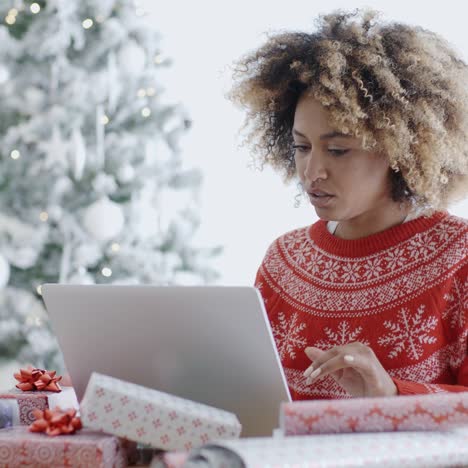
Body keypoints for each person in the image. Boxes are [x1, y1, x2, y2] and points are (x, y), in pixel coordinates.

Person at [227, 9, 468, 400]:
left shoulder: (459, 255)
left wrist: (390, 393)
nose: (312, 171)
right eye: (301, 147)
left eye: (338, 150)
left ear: (399, 150)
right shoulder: (283, 263)